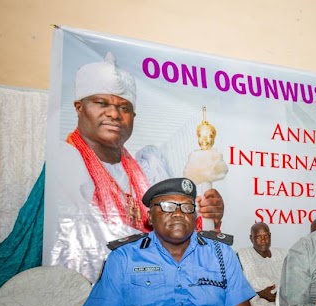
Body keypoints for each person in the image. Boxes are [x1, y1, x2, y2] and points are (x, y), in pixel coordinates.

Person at [44, 53, 224, 283]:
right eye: (101, 103)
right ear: (79, 108)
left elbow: (177, 230)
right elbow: (80, 246)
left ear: (133, 116)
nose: (114, 114)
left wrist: (207, 215)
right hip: (97, 294)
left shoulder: (147, 169)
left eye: (124, 107)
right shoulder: (66, 161)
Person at [80, 178, 256, 306]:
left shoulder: (221, 253)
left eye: (187, 207)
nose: (179, 213)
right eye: (167, 206)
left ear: (195, 215)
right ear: (149, 216)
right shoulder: (124, 257)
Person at [237, 222, 287, 306]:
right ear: (251, 238)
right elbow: (239, 285)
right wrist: (259, 293)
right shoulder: (242, 255)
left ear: (270, 236)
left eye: (266, 236)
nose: (263, 240)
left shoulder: (282, 254)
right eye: (258, 237)